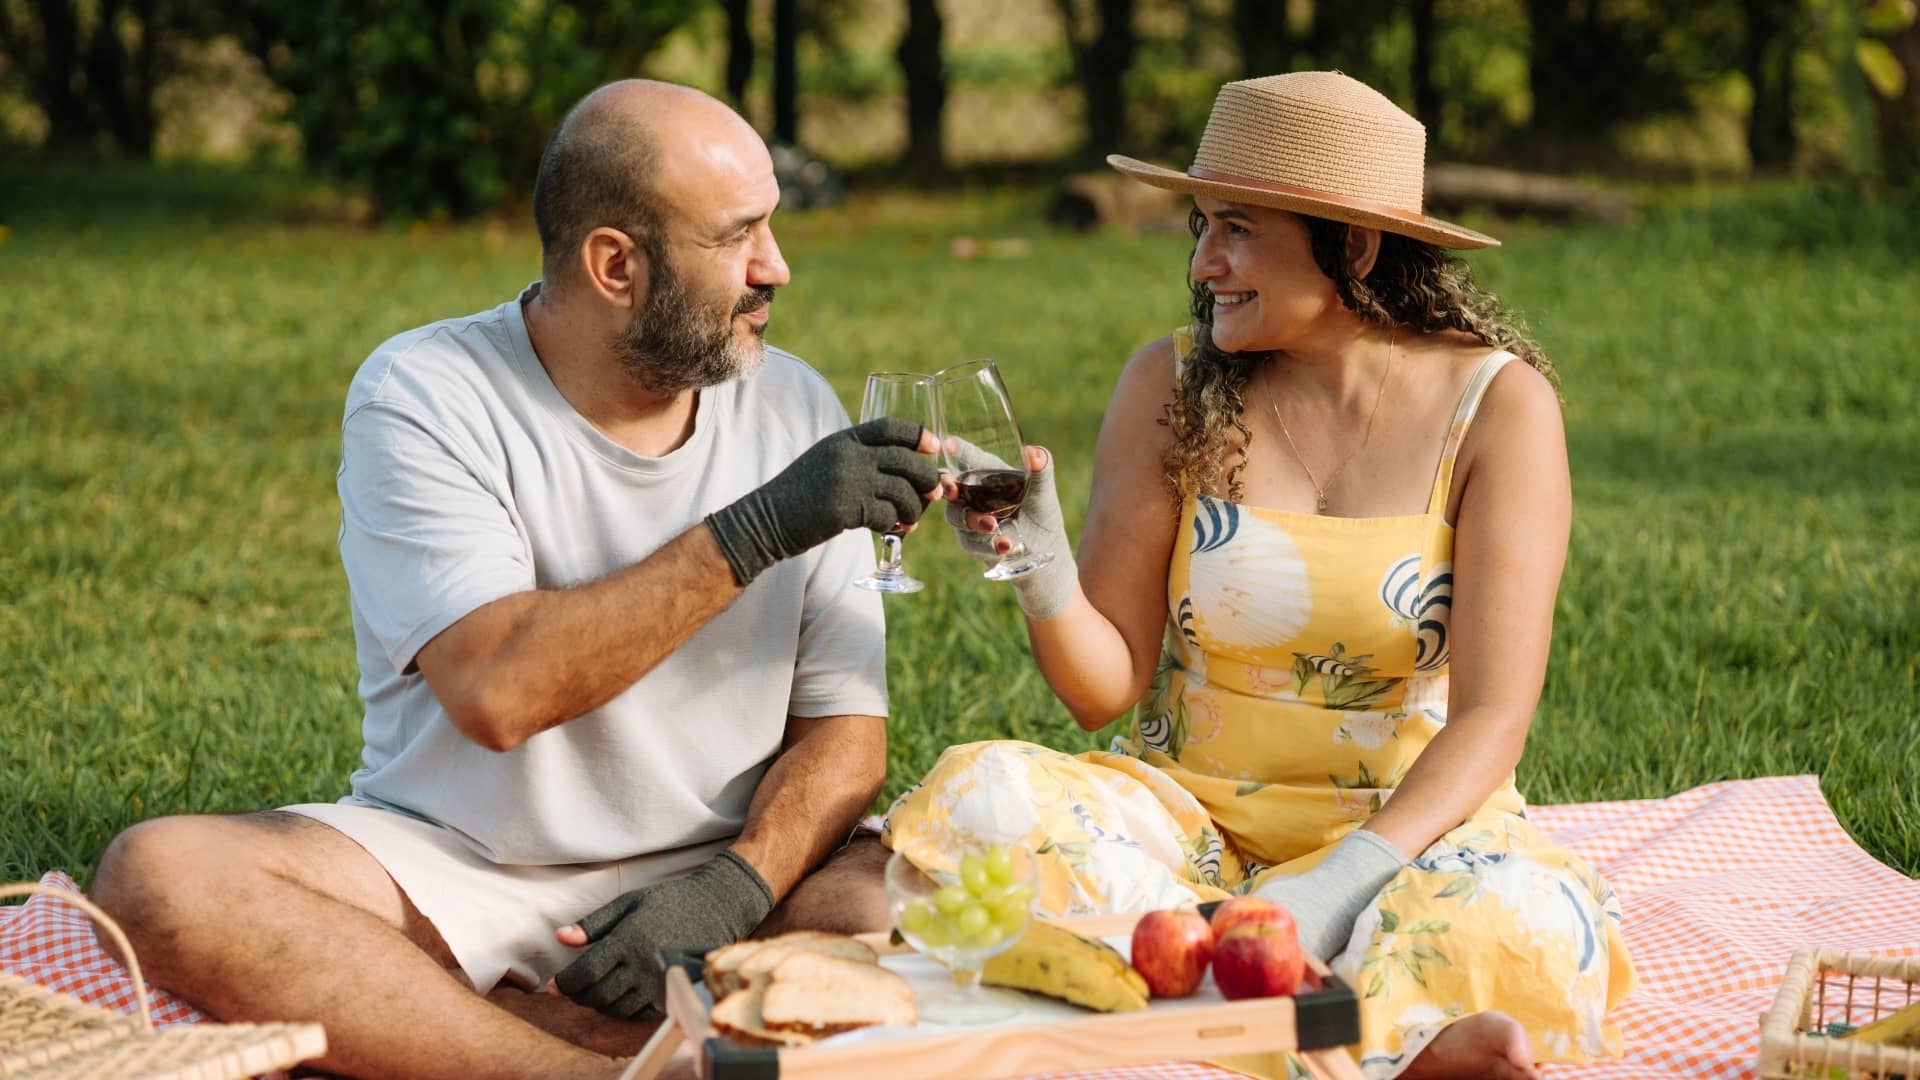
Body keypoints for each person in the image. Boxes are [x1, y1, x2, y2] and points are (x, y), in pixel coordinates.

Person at [86, 80, 942, 1080]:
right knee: (160, 880)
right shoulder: (428, 395)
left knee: (905, 902)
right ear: (615, 265)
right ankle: (585, 1067)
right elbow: (498, 691)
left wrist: (733, 890)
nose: (776, 267)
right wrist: (760, 528)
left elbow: (846, 732)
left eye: (772, 225)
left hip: (727, 867)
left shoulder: (793, 403)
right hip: (461, 869)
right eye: (738, 235)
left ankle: (452, 1025)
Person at [885, 72, 1633, 1080]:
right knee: (982, 796)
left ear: (1354, 246)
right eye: (1201, 225)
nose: (1203, 263)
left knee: (1524, 917)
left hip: (1404, 830)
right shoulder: (1169, 386)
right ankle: (1362, 1030)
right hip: (1194, 831)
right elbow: (1103, 692)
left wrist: (1340, 883)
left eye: (1236, 229)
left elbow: (1494, 718)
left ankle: (1213, 1001)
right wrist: (1039, 562)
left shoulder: (1499, 408)